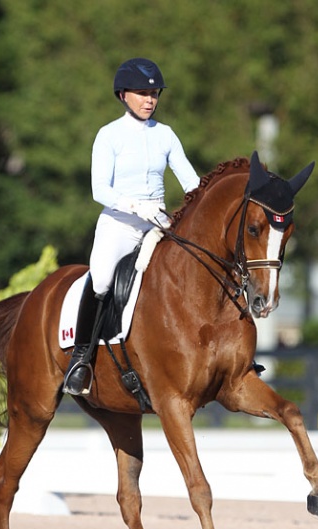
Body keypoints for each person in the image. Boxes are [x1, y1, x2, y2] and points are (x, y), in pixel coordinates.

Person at [63, 57, 200, 395]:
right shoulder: (108, 135)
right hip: (121, 224)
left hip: (158, 225)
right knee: (103, 279)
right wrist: (136, 205)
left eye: (154, 93)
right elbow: (100, 190)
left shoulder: (166, 135)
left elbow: (191, 180)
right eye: (142, 93)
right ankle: (81, 359)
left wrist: (201, 201)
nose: (150, 99)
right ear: (123, 95)